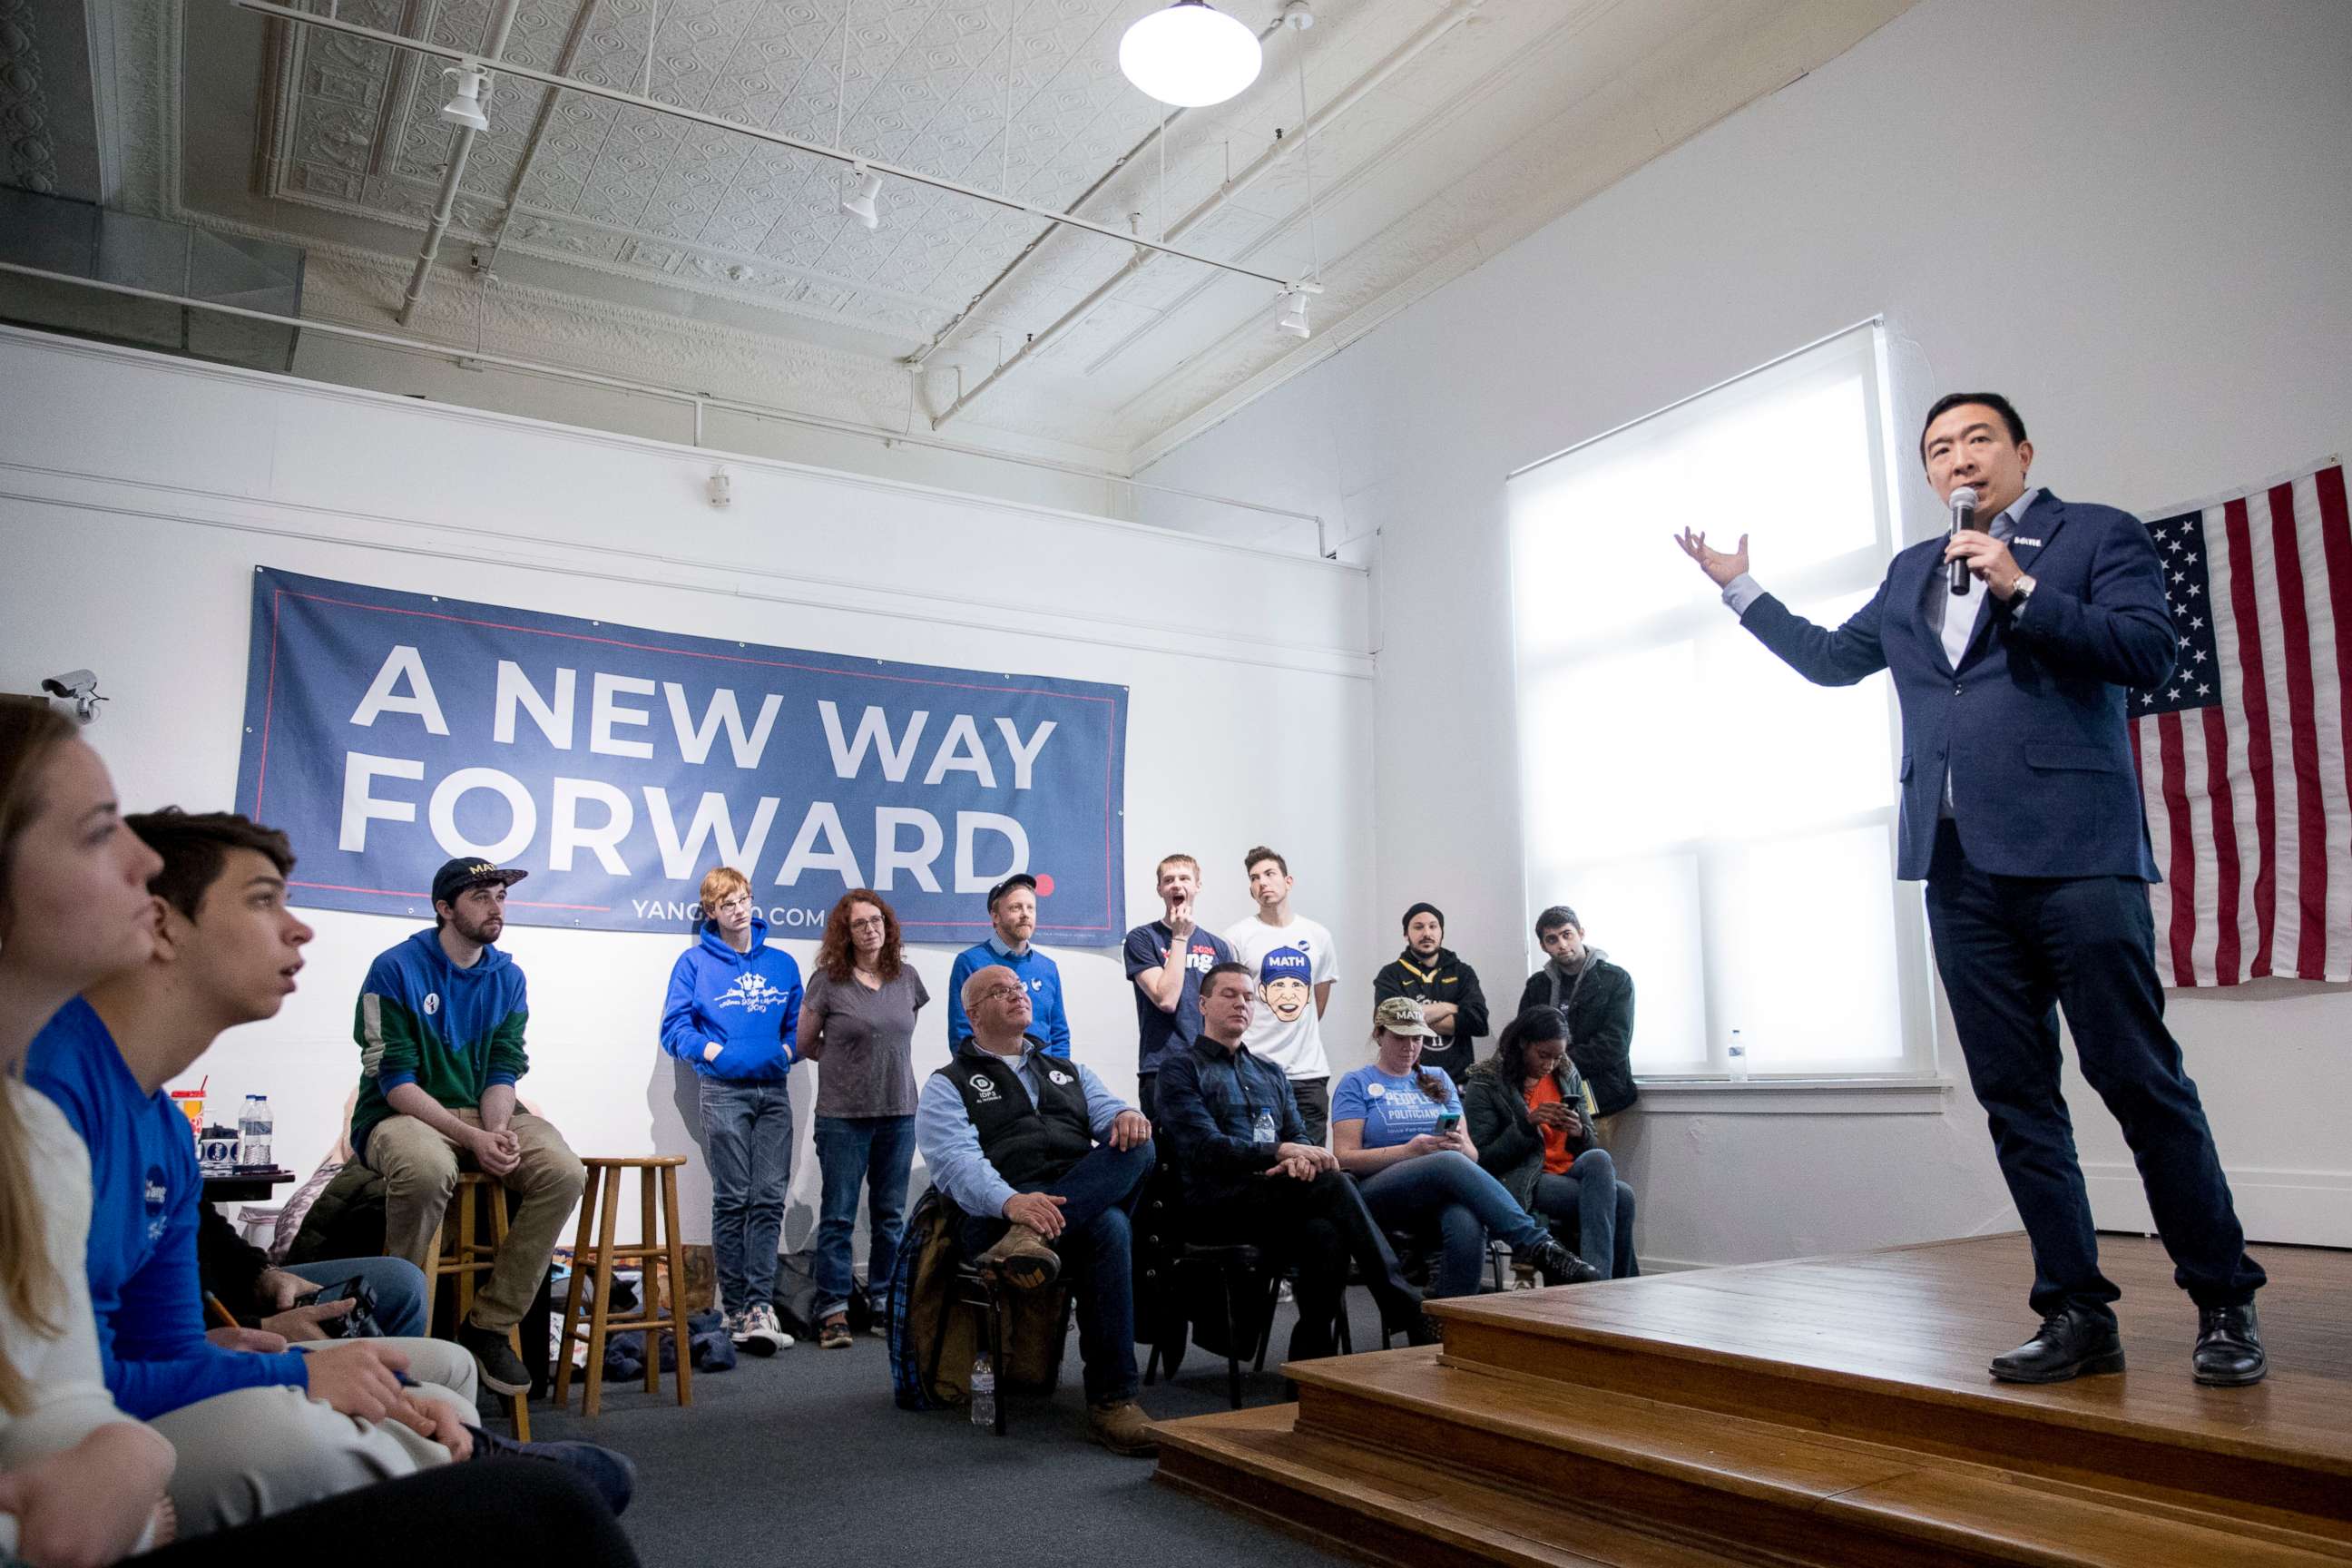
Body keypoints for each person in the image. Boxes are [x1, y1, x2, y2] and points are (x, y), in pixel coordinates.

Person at [1676, 390, 2266, 1387]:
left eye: (1978, 439)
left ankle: (2223, 1302)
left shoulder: (2094, 537)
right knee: (2018, 1100)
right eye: (1939, 447)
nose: (1959, 459)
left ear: (2023, 453)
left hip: (2079, 855)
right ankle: (2078, 1312)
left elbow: (2149, 652)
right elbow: (1832, 661)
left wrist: (2023, 588)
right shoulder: (1913, 569)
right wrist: (1742, 589)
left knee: (2140, 1084)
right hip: (1958, 868)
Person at [25, 808, 632, 1535]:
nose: (300, 928)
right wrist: (300, 1372)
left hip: (115, 1393)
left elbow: (163, 1347)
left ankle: (479, 1371)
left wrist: (260, 1333)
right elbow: (55, 1392)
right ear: (159, 923)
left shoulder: (159, 1119)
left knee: (450, 1372)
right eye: (263, 900)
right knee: (534, 1496)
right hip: (69, 1436)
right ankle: (470, 1467)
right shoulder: (47, 1093)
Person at [0, 703, 178, 1564]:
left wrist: (130, 1458)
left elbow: (65, 1407)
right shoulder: (61, 1093)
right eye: (99, 832)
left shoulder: (31, 1134)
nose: (146, 861)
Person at [350, 856, 588, 1397]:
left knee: (564, 1172)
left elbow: (505, 1065)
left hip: (485, 1110)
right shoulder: (393, 968)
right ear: (444, 908)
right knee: (428, 1169)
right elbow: (395, 1082)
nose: (496, 906)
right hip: (404, 1112)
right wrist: (473, 1140)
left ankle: (488, 1326)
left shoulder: (508, 976)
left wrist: (497, 1131)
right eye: (481, 896)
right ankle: (394, 1332)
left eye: (501, 895)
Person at [914, 965, 1157, 1455]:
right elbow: (957, 1165)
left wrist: (1128, 1115)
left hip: (1044, 1229)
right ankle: (1113, 1401)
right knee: (1109, 1226)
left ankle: (1113, 1405)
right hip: (994, 1223)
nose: (1016, 996)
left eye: (1018, 988)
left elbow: (1111, 1115)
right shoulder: (948, 1083)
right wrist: (1013, 1204)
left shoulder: (1068, 1071)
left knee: (1141, 1146)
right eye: (999, 992)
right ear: (972, 1014)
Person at [1155, 963, 1434, 1357]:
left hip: (1275, 1196)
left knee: (1326, 1232)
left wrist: (1300, 1157)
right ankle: (1404, 1305)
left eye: (1249, 997)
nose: (1241, 1004)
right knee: (1337, 1183)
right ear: (1203, 1003)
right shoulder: (1180, 1068)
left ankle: (1309, 1361)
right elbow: (1203, 1146)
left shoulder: (1270, 1071)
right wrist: (1281, 1152)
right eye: (1229, 995)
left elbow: (1298, 1134)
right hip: (1213, 1203)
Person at [1330, 999, 1597, 1303]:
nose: (1410, 1047)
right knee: (1445, 1162)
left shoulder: (1437, 1078)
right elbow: (1343, 1158)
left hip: (1440, 1186)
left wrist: (1459, 1145)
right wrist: (1410, 1151)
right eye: (1399, 1037)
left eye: (1417, 1038)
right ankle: (1534, 1243)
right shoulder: (1357, 1082)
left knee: (1466, 1218)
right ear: (1379, 1035)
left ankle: (1449, 1320)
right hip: (1379, 1189)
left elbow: (1471, 1156)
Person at [659, 866, 803, 1354]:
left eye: (743, 899)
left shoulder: (782, 963)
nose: (738, 910)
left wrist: (786, 1053)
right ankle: (738, 1306)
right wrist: (716, 1054)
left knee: (768, 1199)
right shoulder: (694, 963)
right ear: (711, 912)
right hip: (721, 1091)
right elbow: (674, 1029)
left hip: (774, 1092)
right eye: (727, 904)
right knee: (733, 1197)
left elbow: (797, 1027)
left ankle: (760, 1305)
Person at [798, 889, 927, 1350]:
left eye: (877, 921)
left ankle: (883, 1301)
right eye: (859, 923)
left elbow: (899, 1035)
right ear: (845, 933)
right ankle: (832, 1308)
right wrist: (847, 1066)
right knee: (837, 1216)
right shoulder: (827, 981)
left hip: (899, 1113)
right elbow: (806, 1042)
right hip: (843, 1116)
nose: (870, 929)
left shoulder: (907, 978)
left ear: (887, 927)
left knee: (891, 1217)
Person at [1463, 1006, 1638, 1280]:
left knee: (1600, 1158)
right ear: (1523, 1043)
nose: (1549, 1064)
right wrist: (1526, 1124)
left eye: (1557, 1057)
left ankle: (1596, 1276)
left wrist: (1578, 1131)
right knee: (1622, 1197)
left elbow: (1590, 1142)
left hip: (1568, 1170)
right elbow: (1482, 1158)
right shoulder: (1486, 1081)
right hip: (1524, 1177)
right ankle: (1609, 1283)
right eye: (1543, 1055)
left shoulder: (1566, 1072)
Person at [1221, 847, 1338, 1142]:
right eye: (1254, 878)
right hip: (1255, 1071)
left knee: (1311, 1167)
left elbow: (1317, 1002)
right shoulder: (1236, 937)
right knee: (1262, 1165)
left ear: (1288, 881)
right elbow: (1231, 1001)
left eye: (1270, 874)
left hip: (1308, 1072)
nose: (1262, 882)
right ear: (1251, 890)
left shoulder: (1318, 936)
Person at [1513, 906, 1637, 1147]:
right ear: (1543, 946)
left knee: (1593, 1161)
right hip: (1544, 1095)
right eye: (1552, 939)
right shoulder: (1537, 985)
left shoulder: (1615, 980)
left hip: (1600, 1092)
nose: (1562, 944)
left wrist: (1556, 1063)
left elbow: (1614, 1044)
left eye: (1567, 934)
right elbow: (1521, 1040)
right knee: (1549, 1166)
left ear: (1581, 933)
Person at [1124, 852, 1235, 1122]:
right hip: (1163, 1067)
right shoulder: (1142, 938)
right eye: (1169, 879)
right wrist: (1180, 937)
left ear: (1197, 886)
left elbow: (1232, 1011)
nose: (1176, 885)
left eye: (1184, 878)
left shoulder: (1218, 947)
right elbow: (1166, 999)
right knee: (1170, 1161)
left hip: (1212, 1069)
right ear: (1160, 889)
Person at [945, 874, 1070, 1058]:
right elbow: (961, 1033)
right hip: (991, 1078)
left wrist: (1058, 1077)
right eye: (1015, 908)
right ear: (995, 916)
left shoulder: (1048, 968)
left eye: (1030, 908)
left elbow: (1059, 1033)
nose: (1025, 914)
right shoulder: (970, 962)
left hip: (1044, 1078)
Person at [1371, 902, 1490, 1084]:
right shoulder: (1391, 974)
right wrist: (1448, 1007)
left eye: (1433, 926)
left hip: (1459, 1086)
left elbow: (1479, 1023)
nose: (1427, 933)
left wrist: (1413, 1019)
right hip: (1408, 1083)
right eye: (1418, 927)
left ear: (1441, 932)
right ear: (1406, 934)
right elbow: (1390, 1020)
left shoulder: (1462, 972)